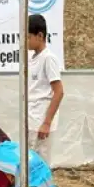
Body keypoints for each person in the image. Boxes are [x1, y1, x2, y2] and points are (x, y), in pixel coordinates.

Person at [26, 14, 64, 164]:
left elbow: (59, 91)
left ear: (40, 35)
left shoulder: (48, 59)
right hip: (31, 118)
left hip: (40, 120)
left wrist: (46, 123)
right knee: (30, 161)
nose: (26, 41)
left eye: (28, 37)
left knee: (40, 163)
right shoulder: (32, 58)